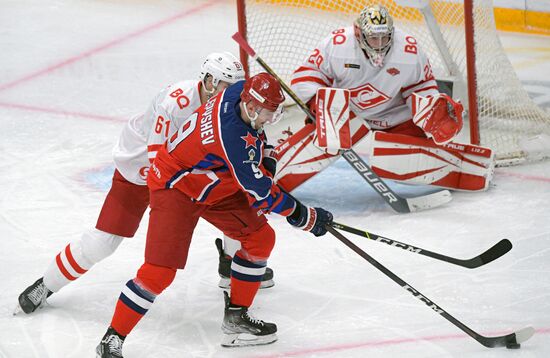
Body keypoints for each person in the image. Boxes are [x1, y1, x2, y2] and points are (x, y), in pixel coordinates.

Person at [95, 72, 333, 357]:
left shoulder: (241, 92)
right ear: (252, 108)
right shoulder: (232, 138)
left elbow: (257, 137)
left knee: (261, 238)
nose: (272, 119)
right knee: (159, 273)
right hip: (176, 189)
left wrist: (266, 153)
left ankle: (236, 318)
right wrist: (304, 216)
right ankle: (112, 338)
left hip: (213, 182)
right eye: (269, 114)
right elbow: (261, 191)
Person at [16, 52, 273, 315]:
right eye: (227, 87)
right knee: (103, 242)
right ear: (208, 81)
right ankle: (45, 285)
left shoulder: (230, 108)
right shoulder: (176, 102)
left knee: (236, 203)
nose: (237, 96)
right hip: (142, 169)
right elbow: (156, 159)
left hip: (186, 174)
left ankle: (230, 266)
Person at [273, 4, 494, 193]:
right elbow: (306, 76)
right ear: (358, 33)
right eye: (373, 37)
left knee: (402, 155)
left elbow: (422, 86)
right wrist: (319, 105)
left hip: (392, 115)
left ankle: (464, 167)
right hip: (345, 113)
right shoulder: (337, 45)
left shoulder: (409, 50)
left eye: (384, 36)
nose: (379, 43)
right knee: (325, 139)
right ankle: (268, 179)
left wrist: (430, 110)